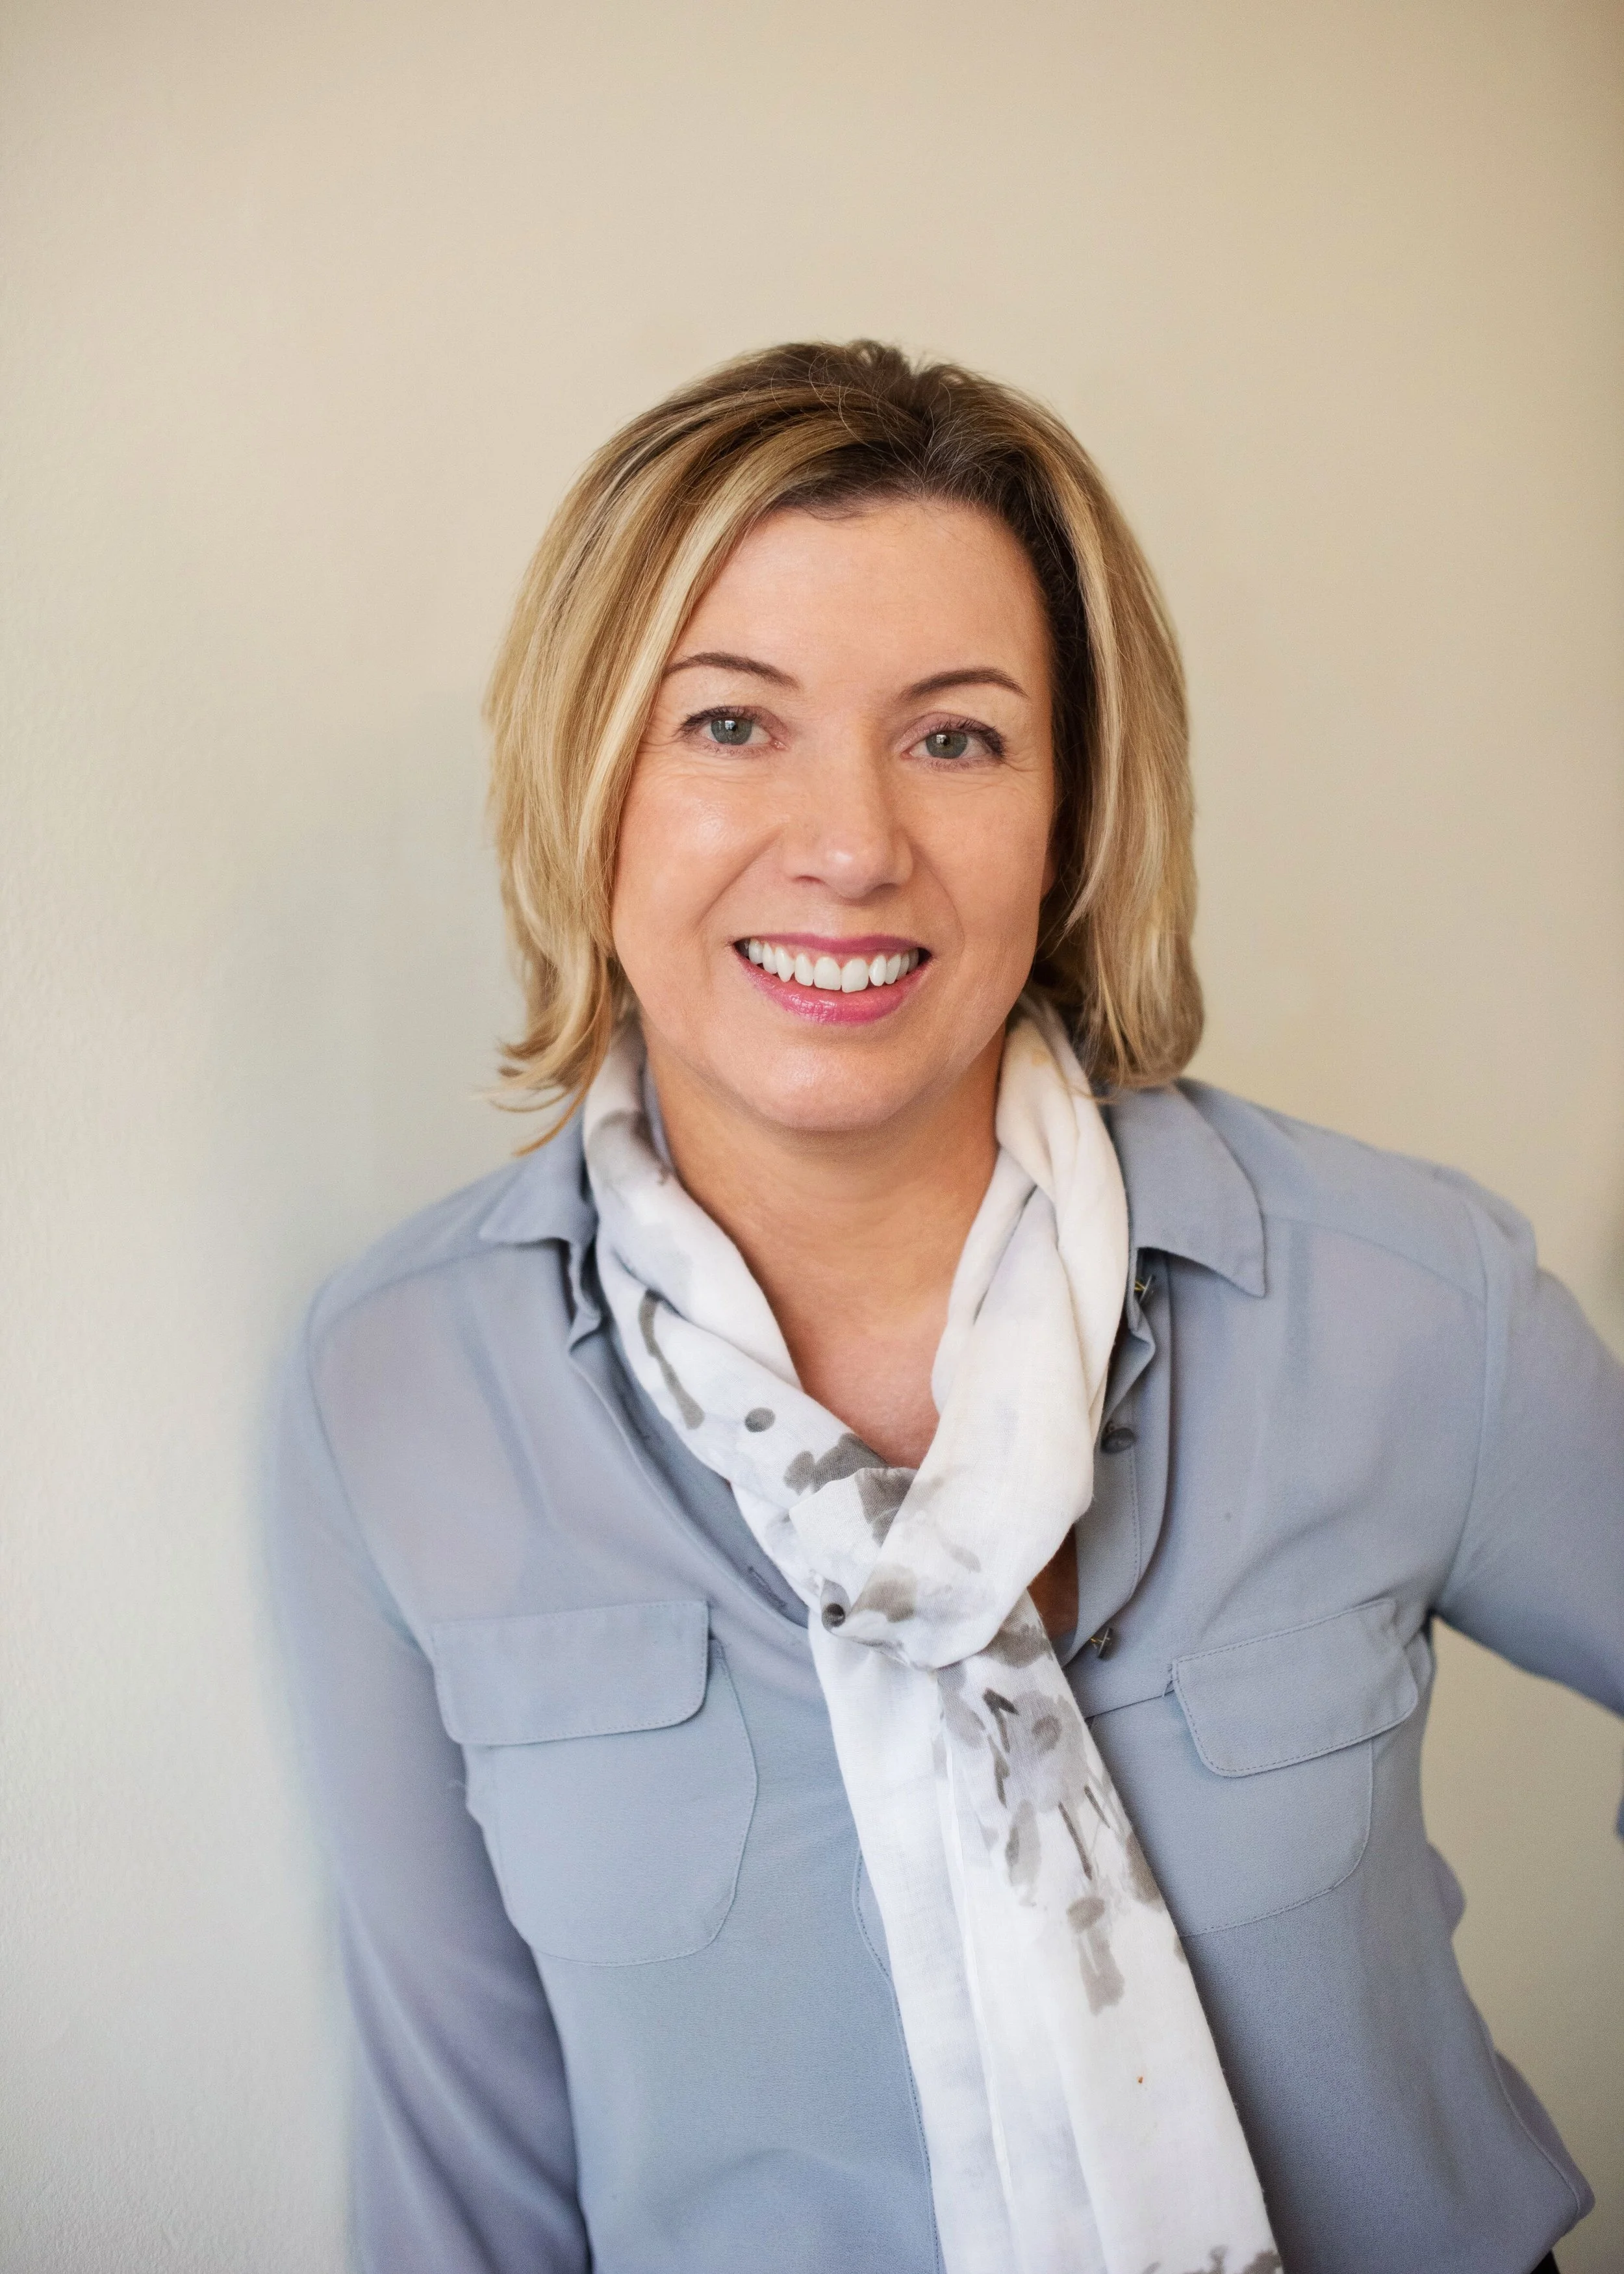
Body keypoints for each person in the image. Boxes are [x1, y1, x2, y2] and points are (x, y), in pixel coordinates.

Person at [270, 340, 1619, 2274]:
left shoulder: (1397, 1300)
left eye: (956, 736)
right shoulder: (395, 1392)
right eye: (729, 723)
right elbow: (466, 2174)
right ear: (594, 782)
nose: (850, 842)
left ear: (1068, 814)